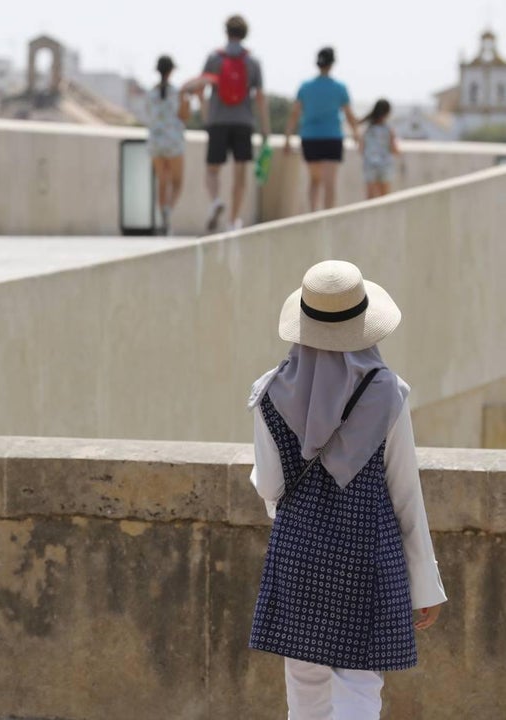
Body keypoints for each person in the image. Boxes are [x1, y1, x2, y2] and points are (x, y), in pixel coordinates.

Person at [246, 260, 446, 719]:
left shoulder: (269, 392)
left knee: (305, 693)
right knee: (359, 687)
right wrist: (425, 585)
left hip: (298, 554)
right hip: (367, 555)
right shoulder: (389, 393)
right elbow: (404, 495)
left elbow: (272, 487)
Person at [185, 14, 271, 233]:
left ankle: (215, 201)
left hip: (218, 120)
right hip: (243, 121)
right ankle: (234, 220)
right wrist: (265, 128)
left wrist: (207, 115)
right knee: (240, 172)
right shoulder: (253, 62)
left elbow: (199, 89)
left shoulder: (214, 58)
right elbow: (260, 96)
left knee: (212, 170)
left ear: (226, 32)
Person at [283, 47, 362, 212]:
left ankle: (313, 214)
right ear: (332, 63)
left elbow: (294, 114)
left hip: (310, 138)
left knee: (315, 180)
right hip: (332, 137)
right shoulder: (340, 87)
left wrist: (288, 138)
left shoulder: (305, 86)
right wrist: (356, 134)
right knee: (330, 184)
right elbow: (349, 114)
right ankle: (328, 217)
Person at [146, 55, 191, 235]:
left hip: (155, 142)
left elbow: (149, 115)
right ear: (171, 71)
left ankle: (162, 216)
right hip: (173, 142)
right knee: (177, 182)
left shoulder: (151, 93)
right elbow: (184, 117)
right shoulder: (178, 93)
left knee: (162, 181)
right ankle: (168, 212)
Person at [360, 99, 400, 199]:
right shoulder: (388, 129)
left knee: (370, 197)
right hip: (385, 165)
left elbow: (361, 148)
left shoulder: (368, 129)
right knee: (384, 197)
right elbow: (394, 148)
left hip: (369, 164)